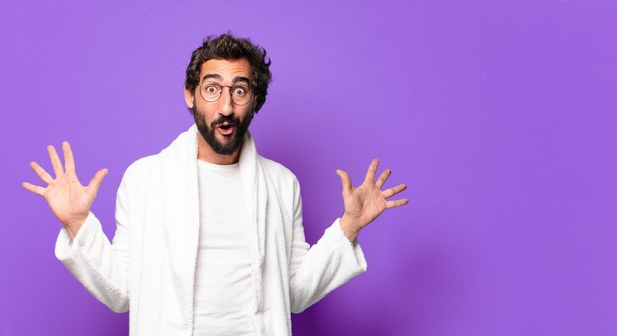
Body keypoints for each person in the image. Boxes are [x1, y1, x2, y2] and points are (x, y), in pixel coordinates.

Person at [22, 33, 408, 336]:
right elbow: (124, 293)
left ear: (254, 101)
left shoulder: (281, 185)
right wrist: (77, 225)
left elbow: (292, 293)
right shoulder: (145, 180)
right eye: (212, 88)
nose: (225, 106)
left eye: (239, 90)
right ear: (190, 95)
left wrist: (349, 228)